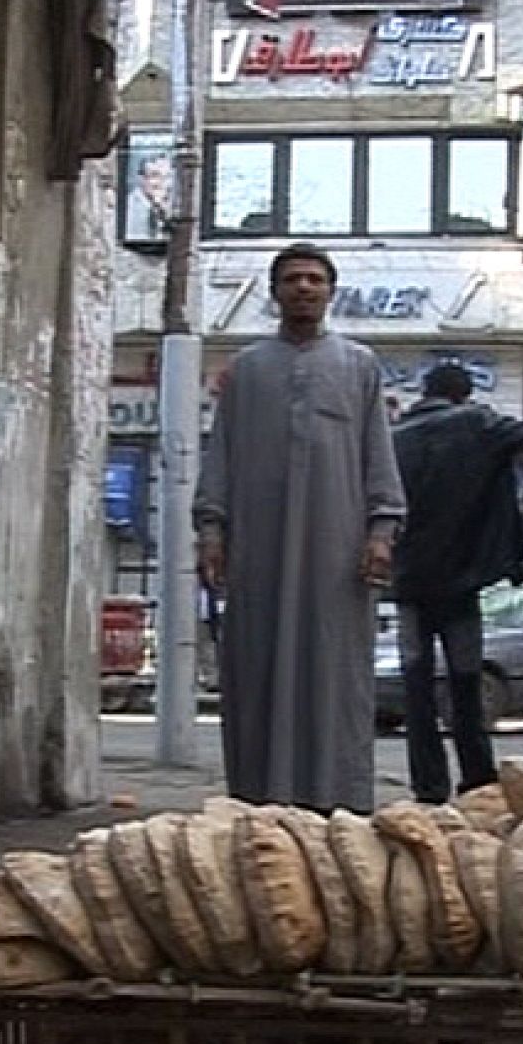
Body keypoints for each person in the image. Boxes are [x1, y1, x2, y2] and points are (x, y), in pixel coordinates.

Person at [194, 243, 406, 812]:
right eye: (293, 279)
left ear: (330, 292)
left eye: (315, 279)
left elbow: (377, 454)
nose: (304, 288)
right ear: (275, 292)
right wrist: (211, 531)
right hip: (257, 553)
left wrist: (381, 532)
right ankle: (259, 800)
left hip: (336, 556)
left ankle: (338, 802)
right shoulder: (247, 371)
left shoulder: (358, 365)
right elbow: (222, 456)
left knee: (335, 670)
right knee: (256, 669)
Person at [389, 361, 523, 802]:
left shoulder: (393, 438)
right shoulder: (475, 423)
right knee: (465, 683)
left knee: (416, 688)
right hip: (459, 580)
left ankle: (428, 787)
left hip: (408, 581)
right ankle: (476, 780)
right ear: (464, 394)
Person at [124, 151, 172, 241]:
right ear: (141, 178)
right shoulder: (127, 208)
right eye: (155, 175)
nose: (162, 182)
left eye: (167, 176)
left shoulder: (173, 208)